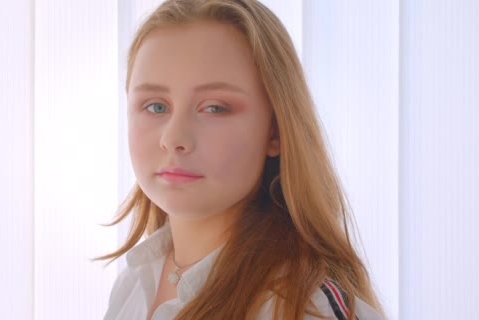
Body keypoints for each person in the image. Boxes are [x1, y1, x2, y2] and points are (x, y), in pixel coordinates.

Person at [98, 0, 384, 319]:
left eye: (214, 107)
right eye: (155, 106)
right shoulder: (134, 281)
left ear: (275, 130)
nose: (174, 138)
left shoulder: (305, 310)